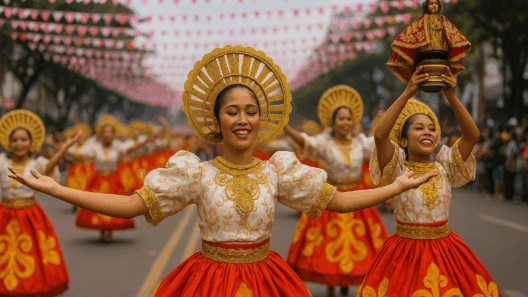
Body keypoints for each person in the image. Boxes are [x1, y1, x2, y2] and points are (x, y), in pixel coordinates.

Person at [7, 46, 436, 297]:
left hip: (267, 278)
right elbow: (128, 206)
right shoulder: (194, 172)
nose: (243, 119)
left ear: (261, 120)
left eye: (251, 111)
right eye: (233, 111)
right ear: (217, 122)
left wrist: (395, 186)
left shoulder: (278, 170)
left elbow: (340, 201)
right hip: (209, 280)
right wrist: (56, 189)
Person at [357, 66, 502, 296]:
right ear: (403, 142)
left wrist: (451, 96)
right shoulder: (396, 168)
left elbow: (472, 135)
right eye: (419, 128)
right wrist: (407, 93)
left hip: (445, 250)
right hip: (404, 253)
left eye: (432, 128)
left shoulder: (445, 164)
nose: (428, 132)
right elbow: (380, 135)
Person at [283, 85, 389, 297]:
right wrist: (285, 126)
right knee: (329, 245)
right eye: (341, 118)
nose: (345, 123)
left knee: (363, 245)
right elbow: (305, 142)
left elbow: (380, 142)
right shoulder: (325, 142)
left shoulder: (360, 142)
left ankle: (346, 284)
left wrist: (389, 121)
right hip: (330, 198)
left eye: (348, 119)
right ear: (332, 122)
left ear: (354, 122)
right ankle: (331, 286)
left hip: (358, 198)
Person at [0, 109, 81, 296]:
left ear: (31, 143)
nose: (19, 144)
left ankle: (28, 287)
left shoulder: (36, 164)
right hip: (4, 214)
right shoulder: (2, 162)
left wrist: (63, 149)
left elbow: (49, 168)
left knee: (32, 255)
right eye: (15, 140)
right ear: (8, 143)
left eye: (23, 139)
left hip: (30, 214)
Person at [67, 115, 148, 243]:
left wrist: (144, 141)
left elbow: (129, 149)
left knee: (113, 206)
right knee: (98, 206)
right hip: (98, 181)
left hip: (114, 181)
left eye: (110, 133)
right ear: (100, 133)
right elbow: (81, 154)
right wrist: (65, 148)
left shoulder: (117, 146)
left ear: (113, 134)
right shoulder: (94, 146)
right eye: (104, 132)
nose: (107, 135)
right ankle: (102, 229)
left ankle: (109, 229)